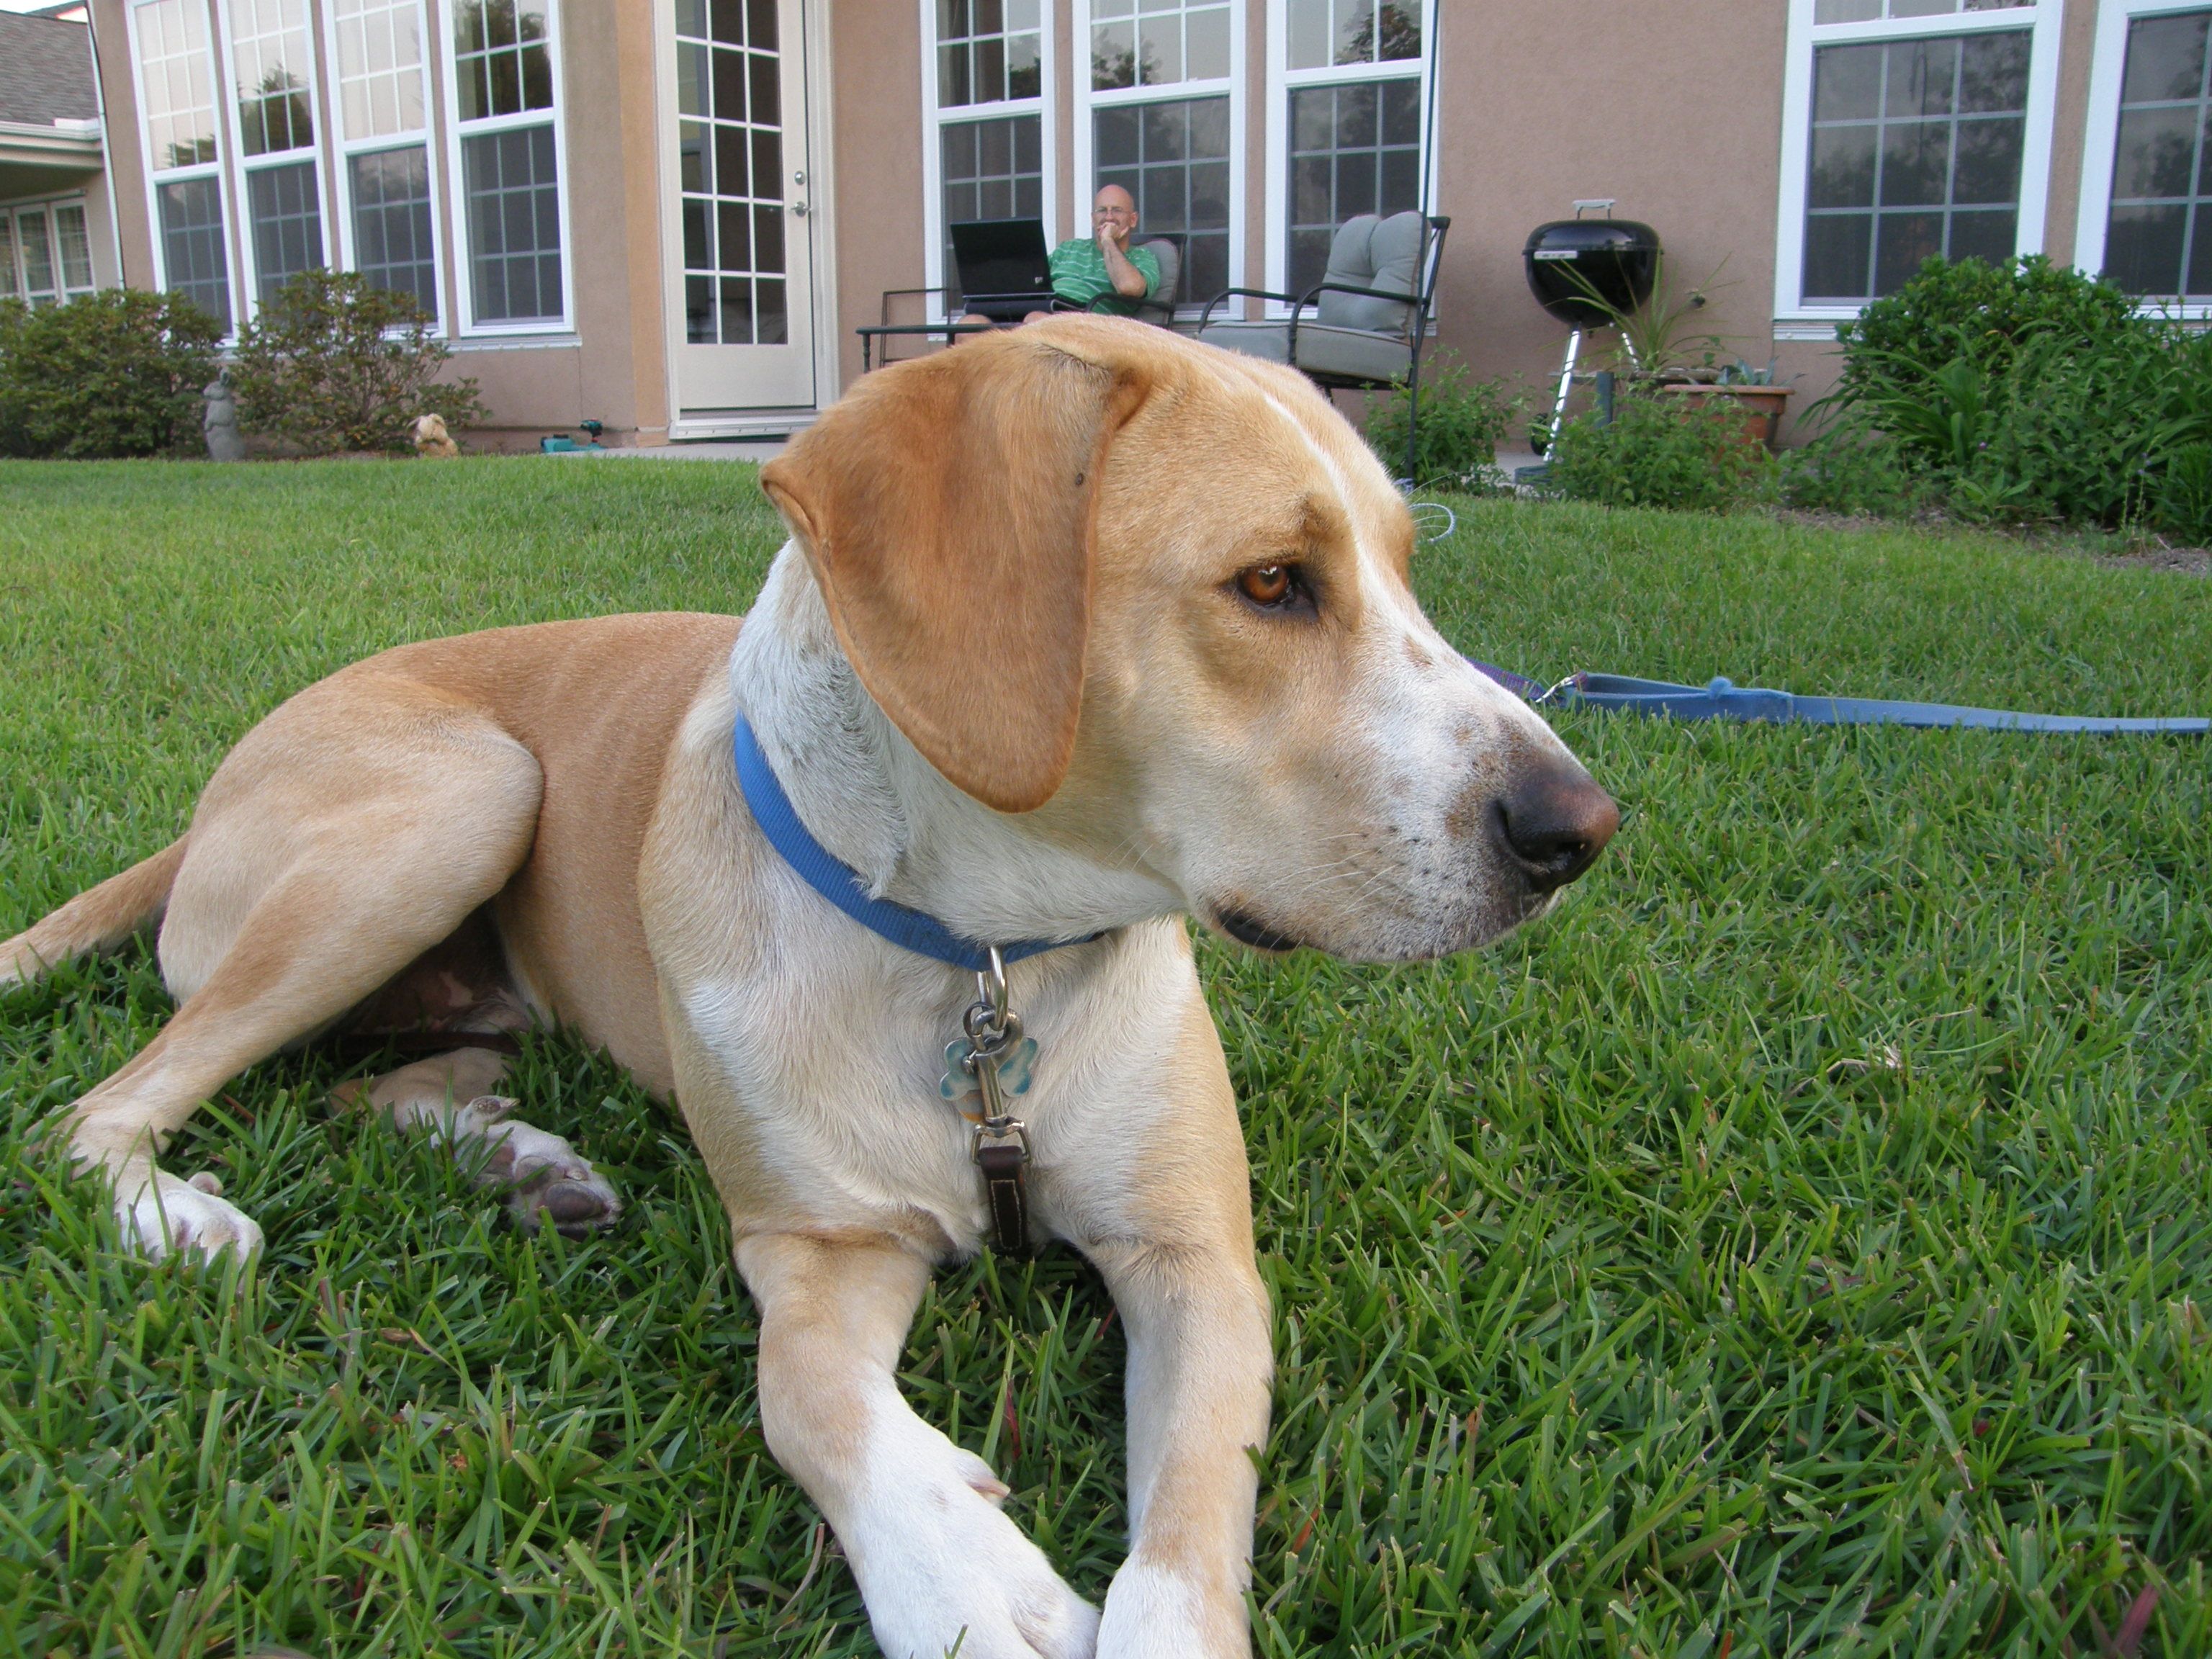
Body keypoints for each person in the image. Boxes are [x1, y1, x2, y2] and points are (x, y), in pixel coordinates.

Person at [958, 184, 1159, 330]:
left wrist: (1108, 241)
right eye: (1101, 211)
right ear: (1092, 218)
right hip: (1043, 310)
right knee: (970, 324)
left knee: (1035, 319)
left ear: (1133, 220)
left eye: (1116, 210)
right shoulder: (1069, 248)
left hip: (1089, 327)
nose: (1108, 217)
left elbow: (1129, 287)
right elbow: (1035, 279)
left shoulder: (1142, 257)